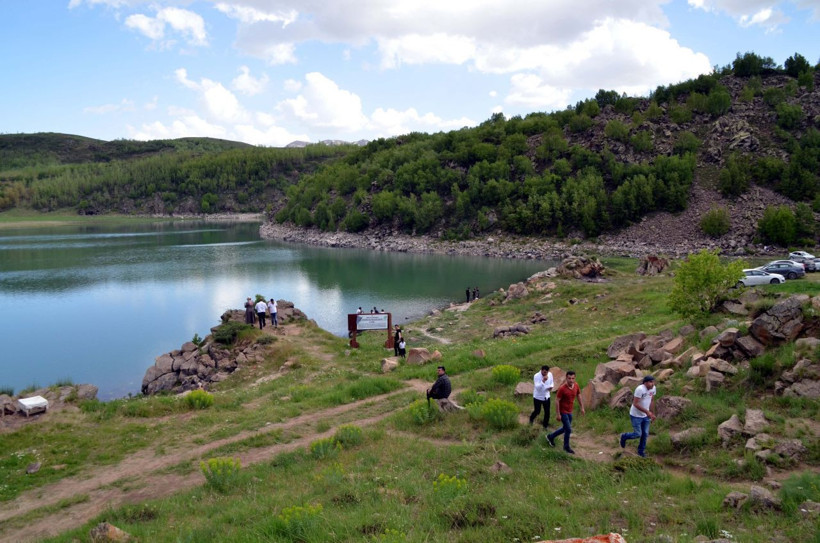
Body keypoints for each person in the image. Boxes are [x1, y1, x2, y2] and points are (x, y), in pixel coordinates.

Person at [546, 371, 585, 454]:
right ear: (566, 378)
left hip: (570, 411)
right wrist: (558, 414)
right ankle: (566, 447)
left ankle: (550, 436)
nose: (571, 380)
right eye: (569, 378)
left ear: (575, 378)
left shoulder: (576, 386)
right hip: (562, 411)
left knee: (565, 428)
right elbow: (557, 400)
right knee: (568, 429)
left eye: (573, 378)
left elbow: (578, 395)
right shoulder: (562, 389)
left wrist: (582, 407)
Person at [620, 375, 657, 458]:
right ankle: (624, 436)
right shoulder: (640, 389)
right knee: (638, 434)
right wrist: (647, 411)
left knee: (645, 434)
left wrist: (652, 413)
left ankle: (641, 451)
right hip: (636, 415)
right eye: (651, 382)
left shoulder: (653, 388)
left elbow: (652, 400)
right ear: (645, 383)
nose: (653, 384)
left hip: (646, 415)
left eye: (653, 382)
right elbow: (635, 403)